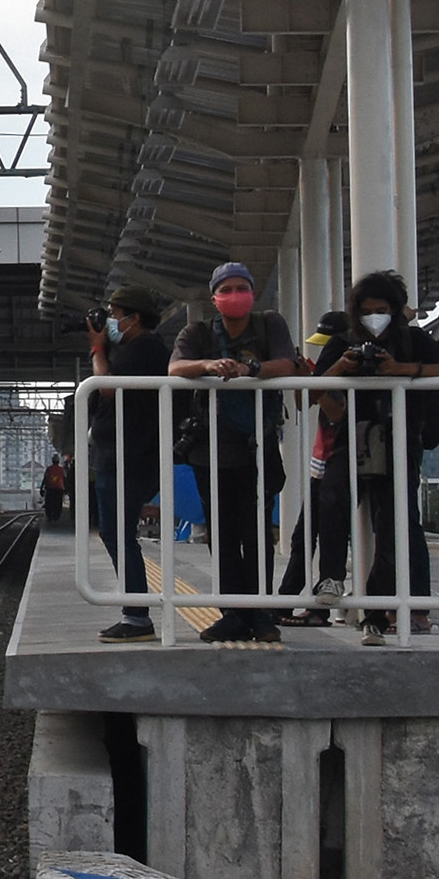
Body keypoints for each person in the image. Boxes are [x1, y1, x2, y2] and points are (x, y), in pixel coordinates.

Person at [298, 271, 439, 641]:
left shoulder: (413, 340)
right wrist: (341, 368)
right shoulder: (343, 343)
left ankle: (377, 615)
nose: (374, 318)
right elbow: (308, 393)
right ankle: (331, 578)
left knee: (393, 523)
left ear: (396, 310)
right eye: (367, 311)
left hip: (399, 438)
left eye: (382, 310)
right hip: (351, 437)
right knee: (333, 497)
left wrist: (400, 370)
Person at [166, 262, 301, 642]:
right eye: (226, 290)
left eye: (241, 287)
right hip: (210, 448)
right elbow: (175, 366)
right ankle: (234, 612)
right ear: (214, 298)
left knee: (256, 531)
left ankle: (259, 612)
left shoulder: (269, 323)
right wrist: (208, 365)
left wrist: (249, 368)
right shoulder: (197, 332)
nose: (234, 295)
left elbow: (288, 362)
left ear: (253, 293)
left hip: (258, 446)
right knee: (220, 533)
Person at [80, 283, 172, 640]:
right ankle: (135, 612)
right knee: (116, 533)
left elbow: (106, 386)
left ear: (134, 318)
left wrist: (97, 347)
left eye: (115, 315)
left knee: (118, 533)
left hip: (128, 457)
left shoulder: (146, 347)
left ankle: (137, 616)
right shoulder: (140, 348)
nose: (110, 321)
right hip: (123, 456)